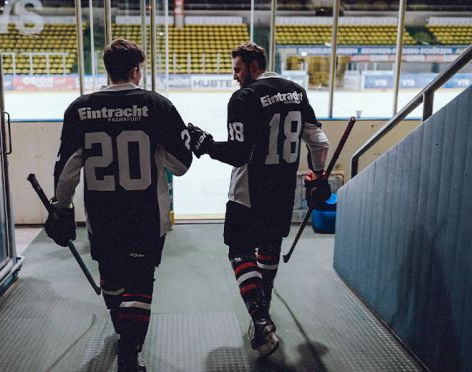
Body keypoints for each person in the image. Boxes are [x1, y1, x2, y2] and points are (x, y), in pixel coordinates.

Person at [44, 39, 193, 371]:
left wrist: (60, 207)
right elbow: (181, 166)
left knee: (111, 279)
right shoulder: (157, 105)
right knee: (140, 280)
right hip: (146, 215)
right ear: (135, 70)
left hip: (102, 215)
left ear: (107, 69)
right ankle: (130, 348)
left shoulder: (80, 108)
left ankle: (123, 332)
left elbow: (67, 169)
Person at [187, 42, 331, 358]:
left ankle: (260, 321)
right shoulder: (296, 91)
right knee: (268, 249)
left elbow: (239, 153)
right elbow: (319, 140)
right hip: (282, 192)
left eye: (238, 69)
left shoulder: (244, 98)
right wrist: (318, 176)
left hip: (247, 192)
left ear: (254, 67)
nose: (235, 77)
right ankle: (263, 309)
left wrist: (206, 144)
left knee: (239, 251)